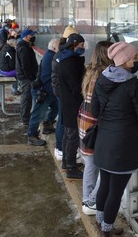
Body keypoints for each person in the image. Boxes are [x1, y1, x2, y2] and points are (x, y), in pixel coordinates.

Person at [91, 42, 138, 236]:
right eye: (134, 57)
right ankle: (106, 230)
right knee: (115, 191)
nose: (137, 59)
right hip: (122, 146)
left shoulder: (102, 79)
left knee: (105, 185)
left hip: (103, 142)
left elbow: (94, 110)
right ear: (125, 61)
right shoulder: (135, 84)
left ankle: (101, 223)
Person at [78, 41, 113, 216]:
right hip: (94, 124)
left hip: (86, 120)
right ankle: (91, 200)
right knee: (101, 166)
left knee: (91, 164)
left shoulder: (91, 70)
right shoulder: (103, 74)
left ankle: (87, 200)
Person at [57, 33, 86, 180]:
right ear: (74, 45)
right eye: (81, 46)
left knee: (68, 135)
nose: (83, 48)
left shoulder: (64, 59)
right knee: (72, 136)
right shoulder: (71, 63)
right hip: (73, 105)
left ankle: (66, 163)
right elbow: (76, 88)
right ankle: (71, 168)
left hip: (67, 103)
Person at [52, 25, 79, 161]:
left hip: (61, 92)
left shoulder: (61, 54)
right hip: (63, 93)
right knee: (64, 122)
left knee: (64, 121)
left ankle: (62, 149)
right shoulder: (62, 57)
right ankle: (61, 149)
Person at [26, 39, 59, 146]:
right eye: (60, 46)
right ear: (54, 48)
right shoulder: (52, 57)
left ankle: (48, 125)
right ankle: (32, 135)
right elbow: (46, 79)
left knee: (56, 108)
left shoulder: (50, 55)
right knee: (38, 114)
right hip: (44, 92)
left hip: (50, 91)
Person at [15, 28, 38, 126]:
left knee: (27, 97)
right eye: (31, 35)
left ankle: (26, 116)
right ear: (26, 36)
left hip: (25, 76)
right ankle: (25, 118)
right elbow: (25, 65)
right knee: (27, 97)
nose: (33, 37)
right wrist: (31, 78)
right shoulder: (24, 48)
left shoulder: (25, 45)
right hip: (26, 77)